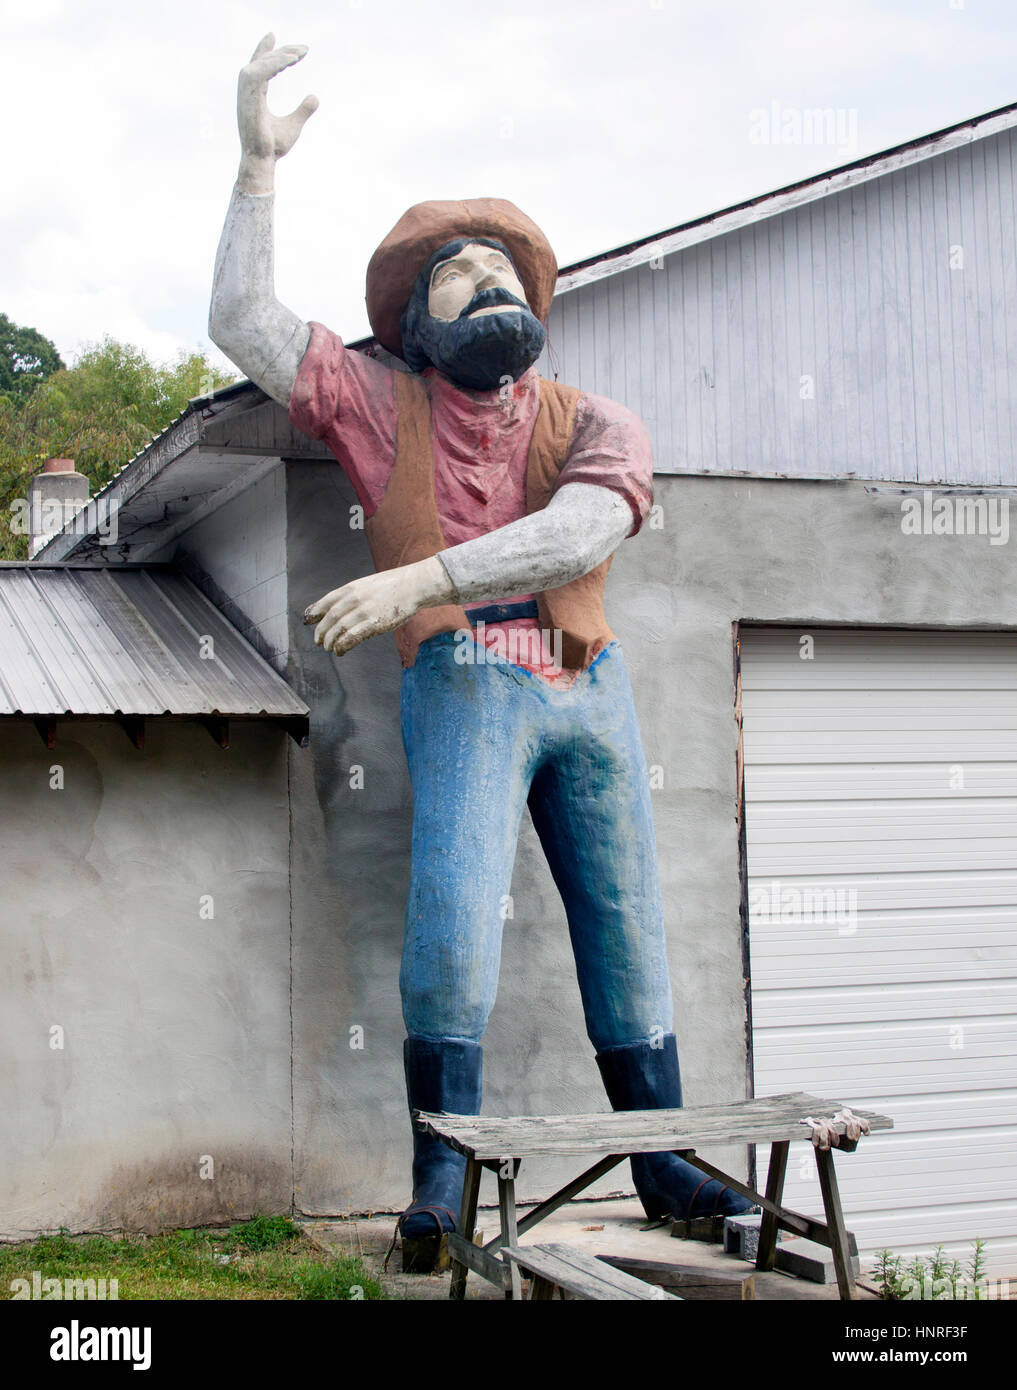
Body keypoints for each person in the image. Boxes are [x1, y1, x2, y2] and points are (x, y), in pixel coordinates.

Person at [210, 34, 752, 1273]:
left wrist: (418, 576)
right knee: (452, 923)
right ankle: (439, 1171)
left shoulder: (594, 420)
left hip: (587, 683)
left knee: (625, 919)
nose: (484, 275)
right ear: (410, 322)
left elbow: (587, 526)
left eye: (501, 263)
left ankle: (661, 1150)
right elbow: (240, 319)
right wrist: (254, 172)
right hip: (462, 683)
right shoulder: (370, 398)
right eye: (456, 271)